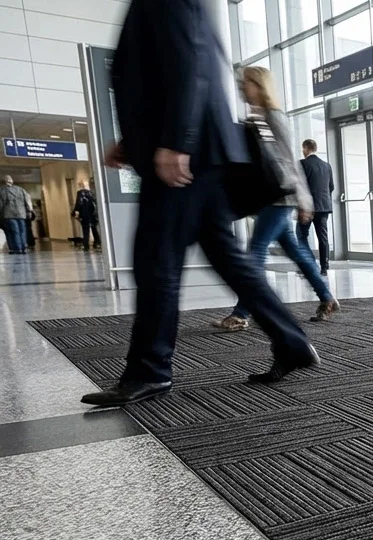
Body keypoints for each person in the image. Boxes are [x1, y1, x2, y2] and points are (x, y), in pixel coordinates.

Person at [82, 0, 318, 408]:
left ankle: (150, 371)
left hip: (187, 155)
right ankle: (292, 341)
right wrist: (137, 139)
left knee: (156, 262)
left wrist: (177, 140)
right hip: (197, 152)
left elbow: (189, 64)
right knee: (229, 259)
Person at [213, 67, 339, 330]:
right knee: (299, 253)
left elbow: (288, 160)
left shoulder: (274, 117)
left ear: (259, 86)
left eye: (245, 83)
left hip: (281, 197)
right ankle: (327, 298)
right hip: (271, 197)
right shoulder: (256, 119)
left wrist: (304, 199)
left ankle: (241, 313)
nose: (241, 87)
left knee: (256, 252)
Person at [297, 138, 334, 276]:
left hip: (307, 207)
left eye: (303, 149)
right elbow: (331, 187)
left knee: (301, 236)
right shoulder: (326, 166)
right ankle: (324, 267)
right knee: (323, 237)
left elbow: (299, 186)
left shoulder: (302, 164)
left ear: (305, 148)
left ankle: (309, 265)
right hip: (323, 207)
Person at [0, 175, 32, 255]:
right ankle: (23, 247)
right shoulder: (20, 189)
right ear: (12, 181)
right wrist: (29, 211)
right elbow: (28, 200)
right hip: (21, 214)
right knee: (22, 231)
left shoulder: (1, 190)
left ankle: (16, 249)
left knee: (13, 232)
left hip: (8, 214)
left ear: (4, 181)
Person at [73, 183, 101, 251]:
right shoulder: (91, 193)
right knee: (94, 228)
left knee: (86, 230)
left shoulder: (80, 193)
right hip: (93, 214)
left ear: (80, 186)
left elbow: (79, 203)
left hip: (85, 214)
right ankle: (97, 242)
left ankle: (86, 245)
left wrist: (76, 211)